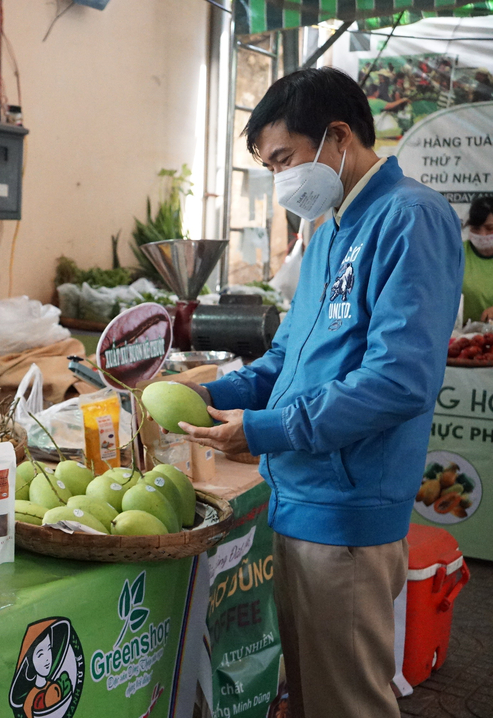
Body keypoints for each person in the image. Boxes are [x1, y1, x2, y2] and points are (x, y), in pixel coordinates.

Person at [178, 68, 463, 718]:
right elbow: (288, 357)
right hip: (299, 503)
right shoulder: (329, 228)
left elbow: (399, 382)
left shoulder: (409, 219)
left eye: (283, 159)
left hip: (349, 520)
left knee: (349, 704)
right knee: (310, 700)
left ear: (337, 136)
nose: (279, 181)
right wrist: (205, 394)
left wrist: (262, 430)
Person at [461, 195, 493, 323]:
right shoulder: (457, 254)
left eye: (490, 228)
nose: (482, 235)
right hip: (462, 335)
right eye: (476, 229)